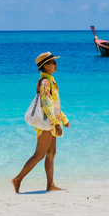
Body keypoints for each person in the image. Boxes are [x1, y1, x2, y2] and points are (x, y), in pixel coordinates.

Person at [13, 52, 70, 193]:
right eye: (53, 62)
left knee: (51, 153)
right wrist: (56, 123)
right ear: (46, 65)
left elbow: (54, 104)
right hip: (47, 123)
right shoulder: (45, 82)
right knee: (39, 155)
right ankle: (17, 179)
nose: (56, 65)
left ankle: (50, 185)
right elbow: (45, 104)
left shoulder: (50, 80)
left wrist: (63, 119)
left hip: (52, 121)